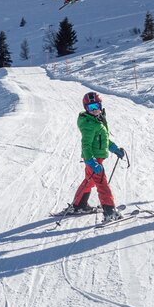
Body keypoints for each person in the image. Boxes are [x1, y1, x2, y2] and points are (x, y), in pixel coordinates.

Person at [61, 92, 127, 222]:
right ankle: (109, 211)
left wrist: (115, 149)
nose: (95, 109)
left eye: (96, 106)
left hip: (96, 158)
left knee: (89, 181)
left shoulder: (98, 120)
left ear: (100, 105)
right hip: (93, 159)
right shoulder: (89, 124)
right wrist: (91, 161)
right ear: (86, 108)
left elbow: (103, 139)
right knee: (102, 183)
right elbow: (86, 145)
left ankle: (79, 205)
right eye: (91, 108)